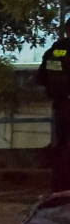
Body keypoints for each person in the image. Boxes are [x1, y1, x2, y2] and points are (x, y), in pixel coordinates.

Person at [38, 34, 70, 192]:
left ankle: (60, 187)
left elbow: (41, 78)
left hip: (60, 105)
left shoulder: (54, 51)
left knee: (62, 145)